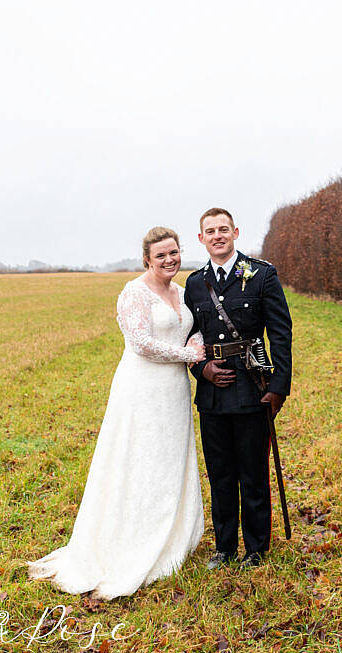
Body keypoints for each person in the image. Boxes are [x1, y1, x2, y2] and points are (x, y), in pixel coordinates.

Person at [26, 227, 206, 600]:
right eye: (161, 255)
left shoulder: (183, 292)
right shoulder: (133, 293)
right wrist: (189, 355)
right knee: (138, 459)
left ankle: (171, 533)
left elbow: (193, 329)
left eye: (174, 252)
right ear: (147, 260)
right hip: (141, 388)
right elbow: (140, 343)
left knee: (169, 458)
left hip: (173, 391)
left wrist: (196, 342)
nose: (170, 260)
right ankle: (132, 541)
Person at [183, 207, 292, 570]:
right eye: (210, 231)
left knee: (253, 472)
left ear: (235, 233)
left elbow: (280, 332)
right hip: (213, 393)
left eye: (223, 229)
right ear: (201, 239)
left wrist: (279, 387)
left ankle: (257, 548)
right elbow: (187, 336)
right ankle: (224, 547)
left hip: (251, 388)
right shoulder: (196, 284)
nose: (217, 236)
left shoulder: (262, 275)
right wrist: (201, 369)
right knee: (220, 473)